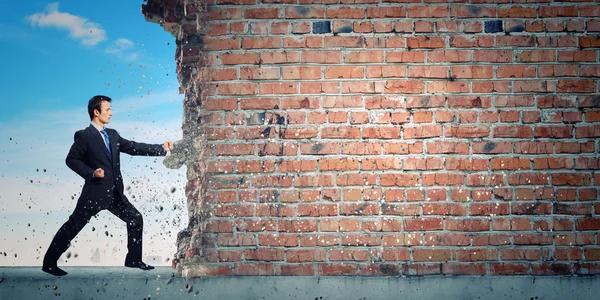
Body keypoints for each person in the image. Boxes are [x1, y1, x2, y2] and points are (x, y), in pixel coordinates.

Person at [42, 95, 174, 276]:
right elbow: (71, 160)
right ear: (97, 113)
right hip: (94, 193)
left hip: (114, 193)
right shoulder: (84, 136)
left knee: (135, 218)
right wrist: (91, 172)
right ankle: (49, 263)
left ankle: (133, 259)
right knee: (73, 226)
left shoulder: (113, 135)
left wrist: (162, 148)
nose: (111, 113)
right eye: (108, 110)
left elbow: (134, 147)